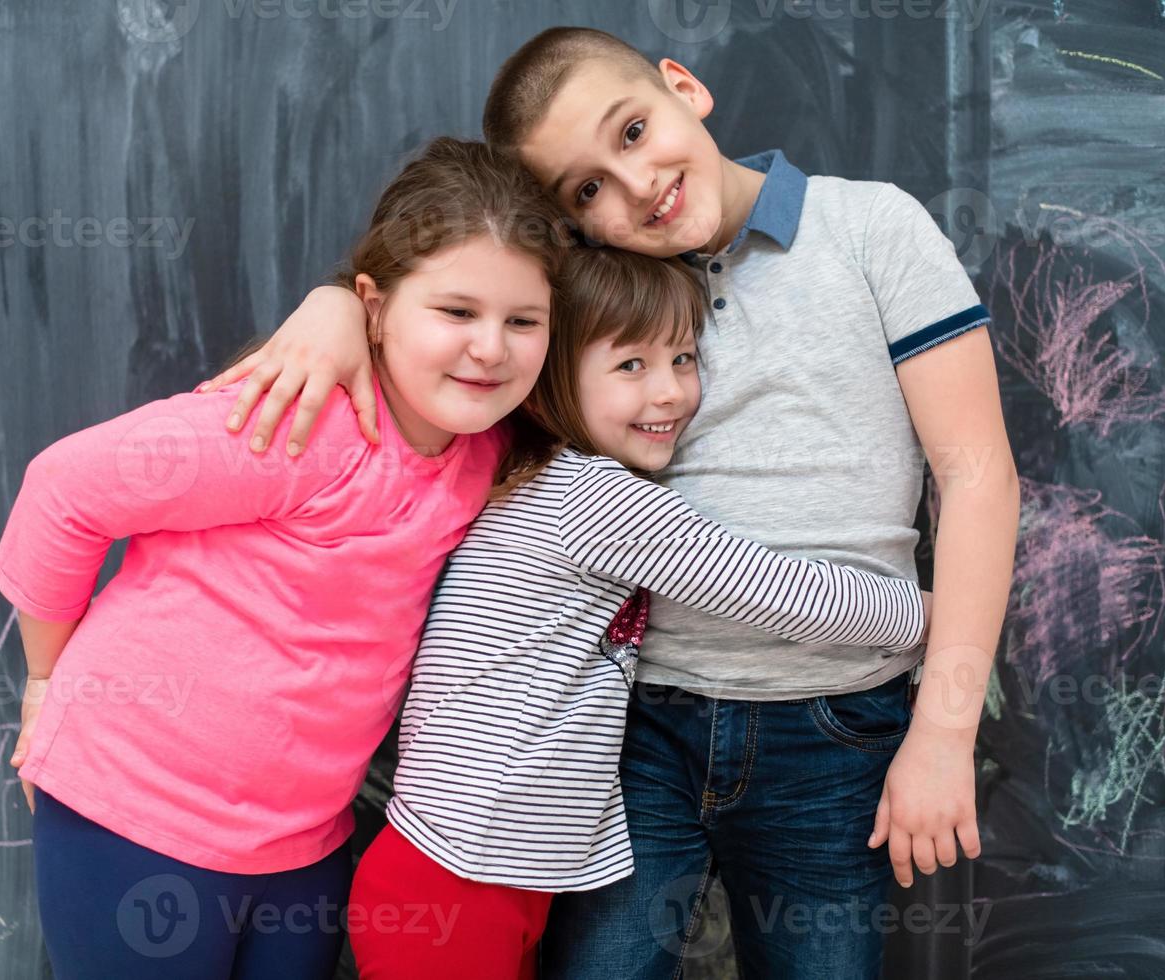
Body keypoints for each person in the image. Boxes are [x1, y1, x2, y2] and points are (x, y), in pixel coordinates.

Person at [198, 27, 1019, 980]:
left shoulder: (871, 228)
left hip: (834, 726)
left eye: (632, 132)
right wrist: (338, 303)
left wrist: (947, 730)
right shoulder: (579, 296)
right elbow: (453, 287)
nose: (636, 189)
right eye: (586, 190)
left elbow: (978, 477)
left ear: (683, 88)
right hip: (630, 734)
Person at [0, 136, 568, 979]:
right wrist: (44, 679)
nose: (490, 348)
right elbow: (63, 490)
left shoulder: (490, 454)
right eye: (457, 312)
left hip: (302, 843)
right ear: (375, 307)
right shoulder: (297, 423)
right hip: (134, 813)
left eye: (522, 322)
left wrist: (332, 300)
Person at [346, 243, 932, 980]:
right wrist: (930, 614)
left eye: (683, 359)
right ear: (553, 377)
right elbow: (778, 590)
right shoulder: (593, 498)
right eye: (631, 366)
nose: (671, 393)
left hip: (487, 871)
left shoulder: (533, 471)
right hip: (457, 883)